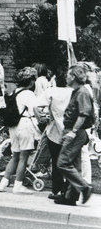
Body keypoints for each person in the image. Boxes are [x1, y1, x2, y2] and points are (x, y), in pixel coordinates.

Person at [55, 63, 96, 205]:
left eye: (68, 75)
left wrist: (72, 132)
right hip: (74, 131)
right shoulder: (77, 91)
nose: (66, 77)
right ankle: (70, 197)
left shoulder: (82, 92)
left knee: (63, 163)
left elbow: (83, 114)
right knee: (74, 165)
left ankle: (84, 188)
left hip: (76, 132)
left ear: (73, 77)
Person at [0, 67, 40, 194]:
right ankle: (18, 185)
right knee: (24, 156)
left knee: (15, 155)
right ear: (31, 82)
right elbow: (35, 111)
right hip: (25, 125)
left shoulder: (14, 92)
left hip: (13, 126)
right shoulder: (29, 94)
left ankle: (3, 183)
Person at [41, 73, 73, 201]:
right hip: (70, 131)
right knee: (70, 162)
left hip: (54, 131)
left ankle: (57, 189)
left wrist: (43, 118)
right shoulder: (74, 92)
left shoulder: (51, 92)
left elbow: (38, 107)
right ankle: (69, 189)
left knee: (56, 161)